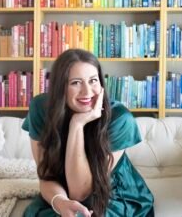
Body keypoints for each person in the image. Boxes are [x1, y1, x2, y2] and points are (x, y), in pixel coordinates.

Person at [22, 48, 154, 217]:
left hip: (111, 194)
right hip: (62, 191)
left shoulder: (120, 118)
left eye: (93, 80)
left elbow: (80, 192)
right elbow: (47, 176)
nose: (87, 92)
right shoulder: (41, 108)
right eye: (75, 82)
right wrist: (60, 202)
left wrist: (77, 124)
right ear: (60, 87)